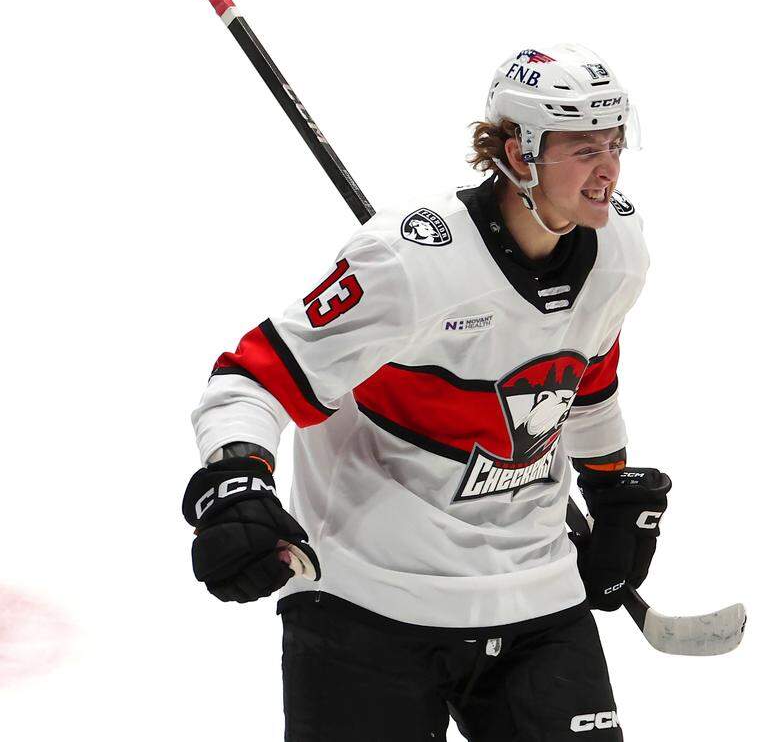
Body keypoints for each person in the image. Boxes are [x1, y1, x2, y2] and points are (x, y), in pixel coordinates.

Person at [183, 43, 671, 741]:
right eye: (583, 148)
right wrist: (238, 483)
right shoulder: (408, 265)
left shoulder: (619, 250)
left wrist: (609, 484)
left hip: (535, 596)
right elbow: (252, 379)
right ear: (519, 153)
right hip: (368, 603)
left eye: (615, 143)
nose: (609, 169)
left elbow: (586, 380)